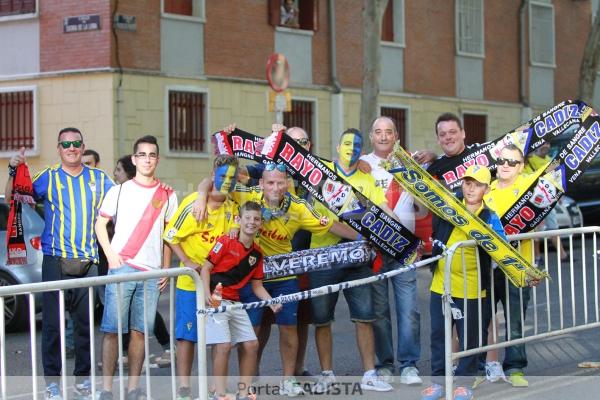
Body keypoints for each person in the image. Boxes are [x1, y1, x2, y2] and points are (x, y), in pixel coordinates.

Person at [6, 127, 114, 400]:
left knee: (84, 327)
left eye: (76, 143)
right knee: (52, 327)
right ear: (58, 148)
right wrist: (12, 170)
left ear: (82, 145)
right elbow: (14, 198)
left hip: (88, 260)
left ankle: (83, 382)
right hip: (55, 259)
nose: (71, 147)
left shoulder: (100, 179)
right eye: (66, 143)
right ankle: (52, 384)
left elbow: (125, 206)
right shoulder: (50, 178)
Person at [308, 128, 394, 393]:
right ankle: (327, 374)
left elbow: (383, 213)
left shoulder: (367, 180)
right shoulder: (320, 171)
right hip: (323, 257)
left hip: (359, 259)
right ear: (337, 147)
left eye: (357, 146)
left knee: (364, 316)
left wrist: (400, 235)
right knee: (322, 319)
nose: (352, 149)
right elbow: (322, 221)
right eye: (347, 144)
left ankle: (369, 373)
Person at [95, 135, 178, 400]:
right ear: (134, 159)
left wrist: (165, 268)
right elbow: (100, 224)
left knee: (141, 332)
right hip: (121, 268)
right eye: (142, 155)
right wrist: (111, 256)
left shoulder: (167, 194)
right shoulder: (118, 190)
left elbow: (169, 234)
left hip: (151, 273)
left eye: (152, 155)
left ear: (157, 159)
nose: (147, 159)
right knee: (111, 331)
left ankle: (133, 388)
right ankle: (106, 389)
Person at [421, 165, 504, 400]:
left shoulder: (489, 217)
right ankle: (438, 381)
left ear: (486, 189)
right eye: (468, 183)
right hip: (441, 285)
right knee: (439, 334)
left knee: (470, 338)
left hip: (473, 288)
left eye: (477, 184)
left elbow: (504, 250)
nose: (471, 188)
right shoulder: (448, 206)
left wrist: (526, 273)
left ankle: (465, 383)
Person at [238, 127, 314, 378]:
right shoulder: (258, 179)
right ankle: (250, 378)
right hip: (256, 274)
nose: (276, 186)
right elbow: (226, 176)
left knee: (294, 324)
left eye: (301, 142)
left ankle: (291, 377)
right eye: (291, 141)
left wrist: (360, 235)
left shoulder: (317, 171)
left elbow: (332, 214)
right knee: (255, 328)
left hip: (296, 266)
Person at [163, 155, 241, 400]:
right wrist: (186, 262)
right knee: (187, 336)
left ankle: (216, 388)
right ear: (213, 174)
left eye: (231, 177)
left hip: (218, 285)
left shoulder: (232, 206)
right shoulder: (193, 204)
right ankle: (184, 387)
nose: (227, 181)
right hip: (191, 283)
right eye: (222, 176)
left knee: (219, 338)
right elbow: (170, 236)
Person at [360, 116, 422, 385]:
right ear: (371, 136)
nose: (383, 136)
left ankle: (409, 364)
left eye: (388, 132)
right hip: (375, 249)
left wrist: (416, 176)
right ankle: (384, 363)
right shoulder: (362, 164)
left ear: (397, 136)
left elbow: (423, 206)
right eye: (378, 132)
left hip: (405, 248)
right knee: (380, 310)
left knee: (408, 309)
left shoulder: (410, 162)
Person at [200, 201, 282, 400]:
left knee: (252, 344)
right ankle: (218, 394)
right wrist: (205, 295)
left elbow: (257, 286)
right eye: (247, 218)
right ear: (239, 220)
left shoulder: (257, 253)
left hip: (235, 302)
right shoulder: (226, 241)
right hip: (217, 301)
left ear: (261, 223)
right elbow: (205, 268)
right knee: (224, 345)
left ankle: (244, 392)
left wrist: (271, 302)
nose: (252, 223)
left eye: (256, 219)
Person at [482, 144, 536, 388]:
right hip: (486, 267)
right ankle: (482, 366)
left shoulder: (528, 189)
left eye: (512, 162)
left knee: (515, 320)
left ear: (521, 166)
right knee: (482, 317)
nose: (505, 165)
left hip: (517, 267)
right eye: (502, 160)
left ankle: (514, 367)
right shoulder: (485, 190)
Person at [523, 142, 568, 262]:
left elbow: (554, 180)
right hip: (532, 202)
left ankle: (563, 255)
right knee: (535, 231)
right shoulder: (529, 161)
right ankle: (537, 257)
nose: (546, 146)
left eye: (548, 143)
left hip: (548, 200)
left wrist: (559, 195)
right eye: (543, 144)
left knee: (553, 228)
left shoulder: (550, 160)